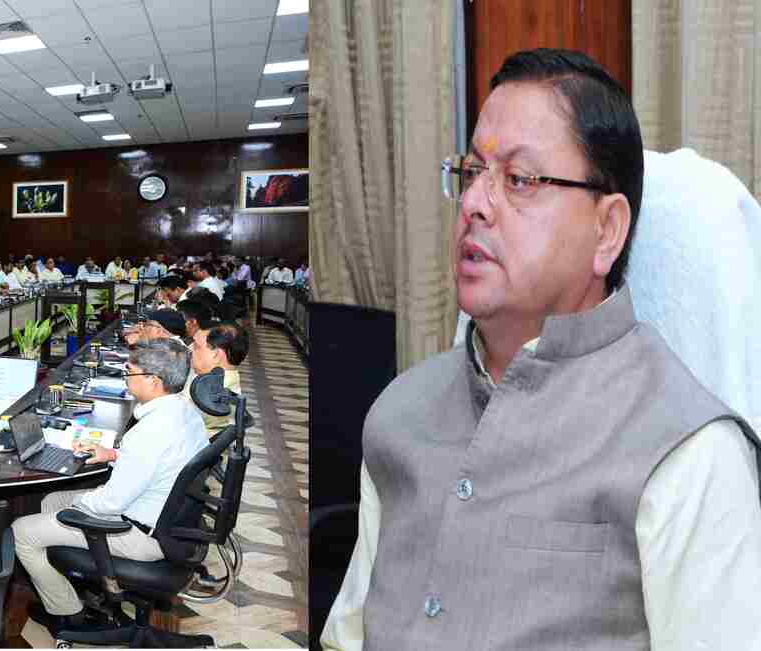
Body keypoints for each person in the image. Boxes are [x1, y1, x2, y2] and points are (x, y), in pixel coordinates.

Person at [323, 49, 761, 651]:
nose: (474, 203)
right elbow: (347, 636)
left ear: (607, 230)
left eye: (520, 180)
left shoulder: (689, 453)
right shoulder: (400, 411)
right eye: (472, 172)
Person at [13, 340, 208, 634]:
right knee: (51, 500)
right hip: (171, 523)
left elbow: (110, 504)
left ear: (153, 381)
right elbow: (160, 463)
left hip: (141, 534)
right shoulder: (185, 412)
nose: (126, 377)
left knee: (22, 531)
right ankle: (78, 583)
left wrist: (77, 505)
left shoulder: (150, 431)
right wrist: (115, 455)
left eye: (130, 372)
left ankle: (70, 614)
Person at [185, 322, 247, 432]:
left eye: (196, 347)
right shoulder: (224, 380)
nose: (190, 351)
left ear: (216, 354)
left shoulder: (209, 391)